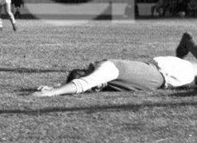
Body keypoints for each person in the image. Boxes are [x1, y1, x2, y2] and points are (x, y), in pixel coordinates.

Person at [34, 33, 197, 96]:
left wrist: (52, 92)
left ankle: (188, 44)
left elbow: (84, 83)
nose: (96, 87)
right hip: (162, 67)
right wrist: (54, 86)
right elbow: (86, 81)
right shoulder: (106, 75)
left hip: (169, 73)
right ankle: (185, 47)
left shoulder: (107, 67)